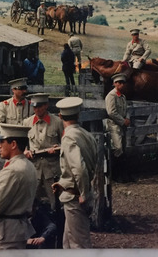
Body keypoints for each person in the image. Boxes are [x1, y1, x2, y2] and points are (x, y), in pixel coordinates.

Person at [52, 97, 98, 249]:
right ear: (78, 115)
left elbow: (78, 168)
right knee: (68, 242)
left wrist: (83, 193)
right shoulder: (86, 134)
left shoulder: (68, 138)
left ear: (60, 116)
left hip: (76, 197)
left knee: (79, 244)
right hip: (77, 192)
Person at [0, 124, 37, 250]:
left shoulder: (12, 170)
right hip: (17, 231)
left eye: (2, 142)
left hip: (5, 236)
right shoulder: (29, 166)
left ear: (13, 144)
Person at [23, 93, 64, 211]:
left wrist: (57, 148)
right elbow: (22, 144)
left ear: (46, 105)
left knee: (56, 203)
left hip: (52, 169)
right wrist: (25, 151)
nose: (37, 110)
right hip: (34, 168)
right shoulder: (27, 123)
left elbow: (65, 144)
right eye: (34, 107)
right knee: (30, 203)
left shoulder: (57, 122)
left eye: (40, 107)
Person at [105, 73, 132, 182]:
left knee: (123, 149)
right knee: (118, 148)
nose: (121, 84)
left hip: (122, 125)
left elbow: (127, 109)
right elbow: (111, 112)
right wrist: (122, 121)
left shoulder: (123, 96)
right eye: (119, 83)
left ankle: (124, 175)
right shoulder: (111, 96)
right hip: (114, 125)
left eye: (122, 83)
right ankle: (116, 176)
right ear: (114, 84)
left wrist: (127, 119)